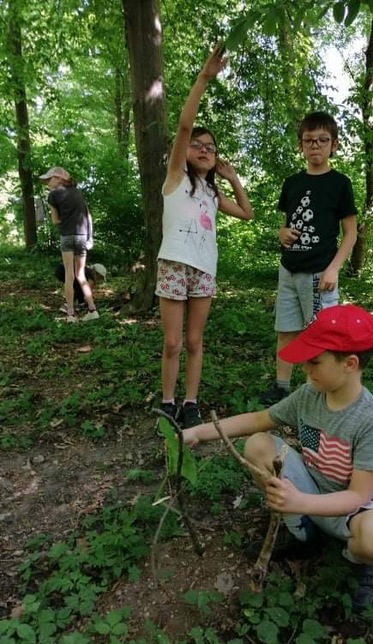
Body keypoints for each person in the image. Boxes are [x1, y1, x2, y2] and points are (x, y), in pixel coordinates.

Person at [182, 304, 373, 612]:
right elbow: (259, 419)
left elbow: (358, 495)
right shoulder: (309, 395)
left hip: (356, 512)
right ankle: (302, 534)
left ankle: (360, 561)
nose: (305, 369)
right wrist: (199, 431)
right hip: (311, 493)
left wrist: (299, 501)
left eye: (315, 361)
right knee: (258, 444)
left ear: (350, 364)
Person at [156, 45, 253, 430]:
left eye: (210, 148)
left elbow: (247, 213)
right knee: (173, 342)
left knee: (195, 341)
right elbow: (184, 127)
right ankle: (167, 402)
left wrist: (233, 178)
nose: (203, 150)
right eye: (198, 145)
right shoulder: (175, 178)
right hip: (174, 264)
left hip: (204, 271)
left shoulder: (213, 193)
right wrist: (204, 78)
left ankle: (191, 402)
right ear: (185, 152)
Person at [259, 111, 358, 406]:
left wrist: (333, 269)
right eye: (309, 140)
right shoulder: (292, 183)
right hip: (289, 269)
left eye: (322, 140)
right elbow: (287, 224)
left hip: (319, 273)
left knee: (320, 334)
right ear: (300, 145)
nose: (315, 145)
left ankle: (319, 391)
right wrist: (281, 233)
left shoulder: (340, 183)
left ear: (334, 145)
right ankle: (281, 387)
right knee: (286, 329)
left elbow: (350, 233)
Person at [40, 167, 99, 322]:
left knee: (69, 275)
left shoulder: (53, 195)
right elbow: (88, 216)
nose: (47, 182)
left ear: (59, 179)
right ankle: (92, 310)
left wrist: (64, 221)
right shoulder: (78, 192)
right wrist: (89, 237)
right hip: (82, 237)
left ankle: (71, 314)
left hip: (67, 236)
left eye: (50, 179)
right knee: (81, 275)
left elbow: (55, 220)